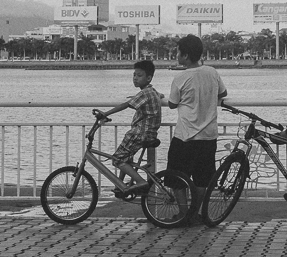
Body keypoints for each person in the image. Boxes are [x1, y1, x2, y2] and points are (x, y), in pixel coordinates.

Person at [167, 34, 228, 218]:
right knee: (203, 179)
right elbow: (223, 92)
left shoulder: (180, 77)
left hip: (185, 136)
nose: (176, 55)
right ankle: (195, 213)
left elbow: (171, 103)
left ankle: (184, 213)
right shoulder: (212, 72)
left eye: (178, 52)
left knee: (176, 177)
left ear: (185, 55)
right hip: (208, 136)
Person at [98, 59, 163, 195]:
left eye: (139, 76)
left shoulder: (144, 93)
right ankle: (120, 185)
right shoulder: (152, 91)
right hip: (149, 133)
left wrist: (105, 113)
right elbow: (159, 95)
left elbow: (126, 105)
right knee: (126, 156)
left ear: (149, 77)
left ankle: (140, 182)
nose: (135, 78)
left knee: (117, 159)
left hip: (140, 133)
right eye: (134, 75)